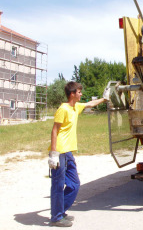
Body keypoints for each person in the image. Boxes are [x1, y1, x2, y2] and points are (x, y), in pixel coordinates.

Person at [48, 81, 110, 227]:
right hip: (60, 151)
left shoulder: (76, 107)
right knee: (58, 185)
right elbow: (54, 130)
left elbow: (90, 104)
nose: (81, 94)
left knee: (74, 184)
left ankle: (60, 211)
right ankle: (56, 217)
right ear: (72, 94)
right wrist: (53, 153)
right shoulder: (63, 109)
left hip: (68, 151)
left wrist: (105, 98)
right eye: (79, 92)